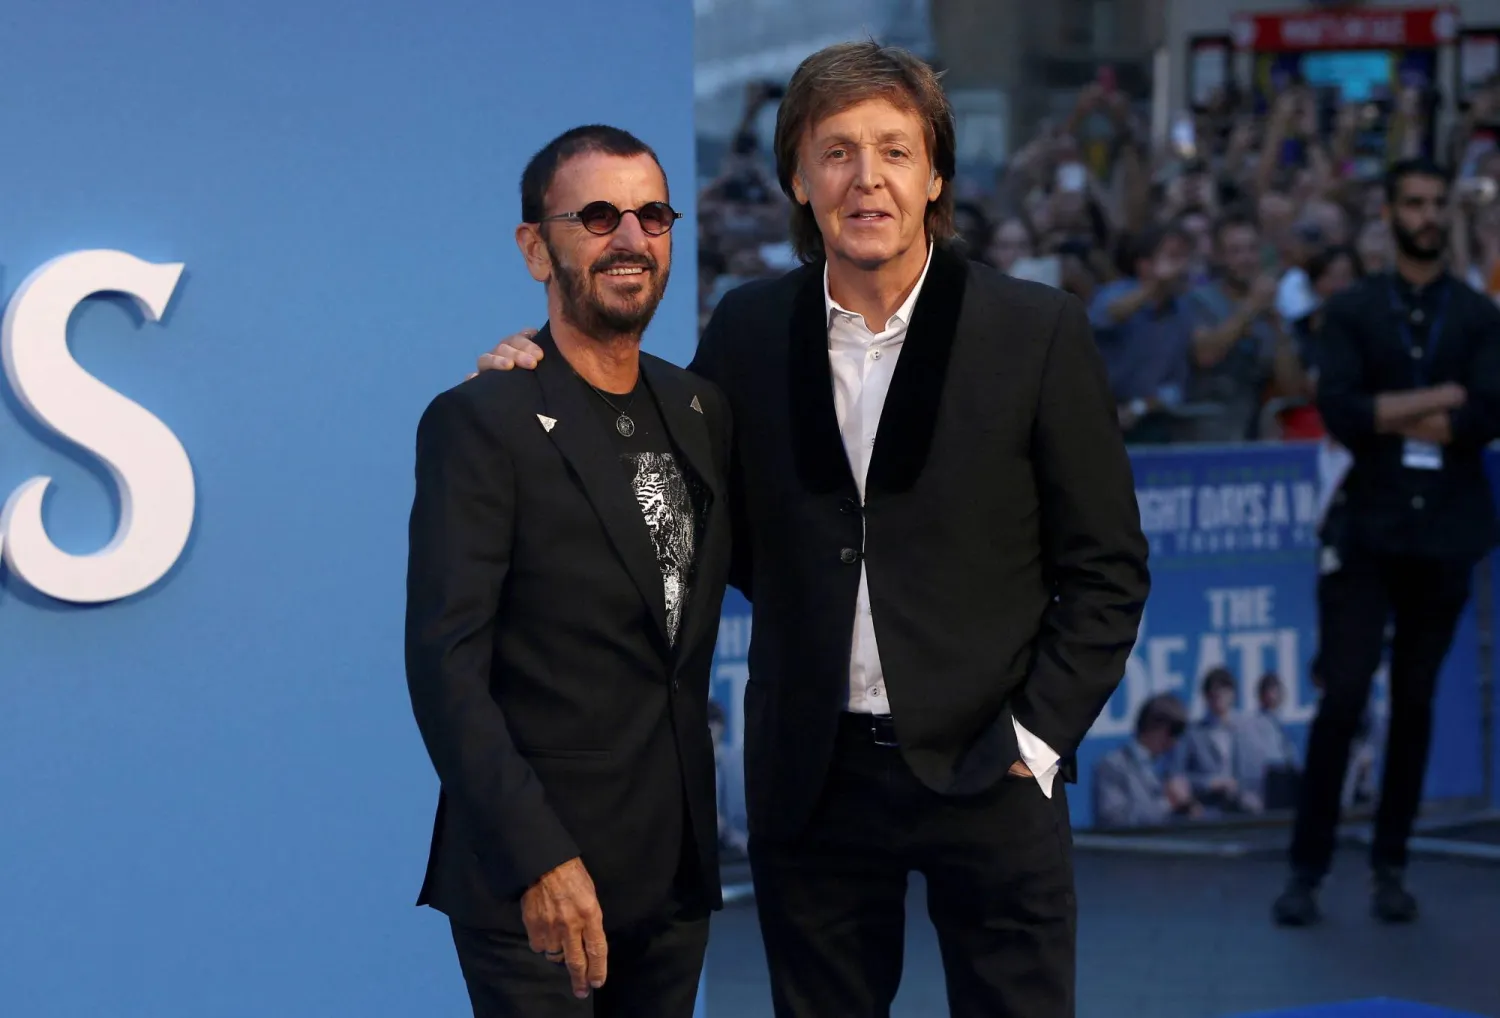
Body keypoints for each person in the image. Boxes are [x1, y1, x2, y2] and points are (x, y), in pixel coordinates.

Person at [473, 41, 1150, 1018]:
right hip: (813, 774)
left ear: (934, 175)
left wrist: (1035, 737)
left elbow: (1108, 569)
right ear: (798, 174)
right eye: (836, 151)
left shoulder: (1034, 330)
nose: (865, 178)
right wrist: (541, 380)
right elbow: (672, 493)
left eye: (893, 151)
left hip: (991, 769)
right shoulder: (748, 329)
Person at [403, 124, 733, 1016]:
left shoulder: (702, 410)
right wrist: (538, 858)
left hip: (672, 877)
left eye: (652, 215)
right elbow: (446, 667)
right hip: (535, 888)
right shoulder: (484, 421)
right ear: (536, 248)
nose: (630, 239)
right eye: (597, 216)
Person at [1273, 157, 1500, 928]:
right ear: (1391, 213)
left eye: (1439, 202)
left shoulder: (1474, 313)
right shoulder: (1354, 311)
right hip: (1365, 529)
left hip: (1444, 531)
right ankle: (1306, 869)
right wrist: (1438, 397)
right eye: (1414, 202)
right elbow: (1341, 410)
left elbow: (1484, 419)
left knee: (1415, 702)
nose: (1428, 215)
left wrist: (1398, 411)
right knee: (1342, 697)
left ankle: (1390, 865)